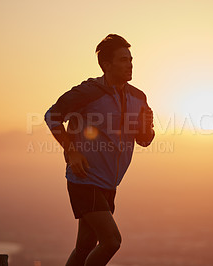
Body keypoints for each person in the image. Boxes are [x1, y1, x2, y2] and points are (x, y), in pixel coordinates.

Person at [44, 34, 155, 266]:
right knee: (111, 241)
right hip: (84, 178)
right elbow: (52, 116)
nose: (130, 64)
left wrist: (148, 127)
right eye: (123, 59)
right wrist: (71, 150)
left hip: (109, 184)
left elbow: (144, 140)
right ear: (107, 65)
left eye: (131, 59)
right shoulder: (88, 92)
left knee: (84, 246)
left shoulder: (138, 97)